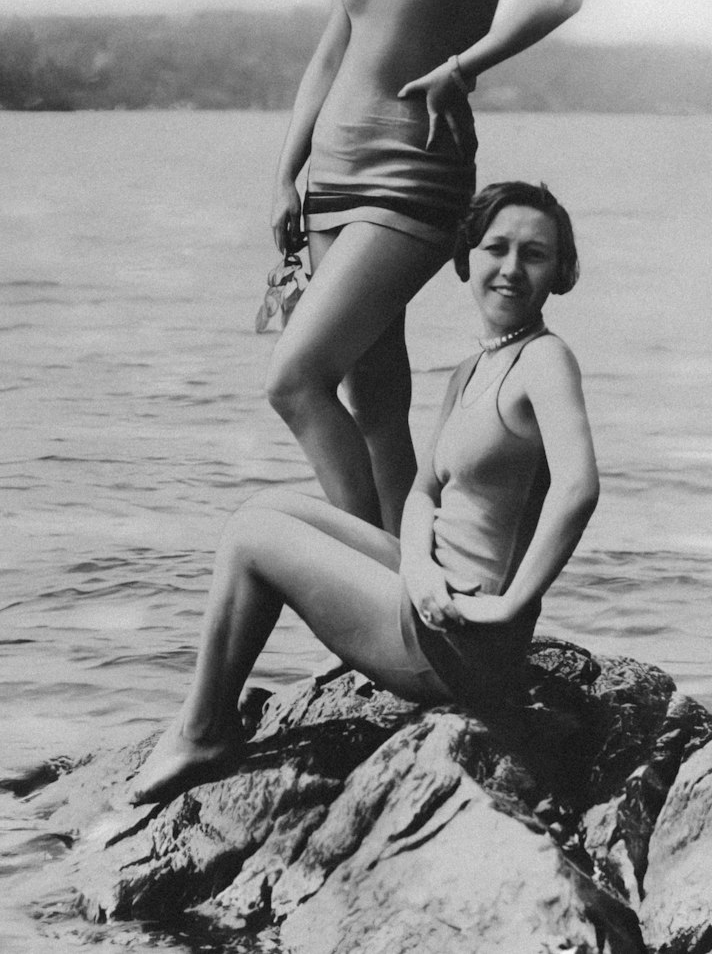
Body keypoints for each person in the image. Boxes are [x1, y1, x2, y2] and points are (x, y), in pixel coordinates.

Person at [130, 182, 598, 807]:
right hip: (434, 600)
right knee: (266, 508)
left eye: (535, 255)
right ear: (466, 261)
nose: (511, 269)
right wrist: (419, 570)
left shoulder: (546, 361)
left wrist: (512, 606)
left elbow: (578, 488)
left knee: (252, 536)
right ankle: (210, 711)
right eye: (497, 249)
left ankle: (203, 731)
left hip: (463, 645)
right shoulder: (472, 370)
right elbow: (423, 494)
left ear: (560, 273)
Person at [267, 0, 584, 534]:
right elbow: (331, 50)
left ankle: (364, 577)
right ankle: (409, 595)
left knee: (295, 379)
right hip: (332, 176)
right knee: (373, 399)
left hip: (413, 174)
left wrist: (465, 66)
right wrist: (286, 173)